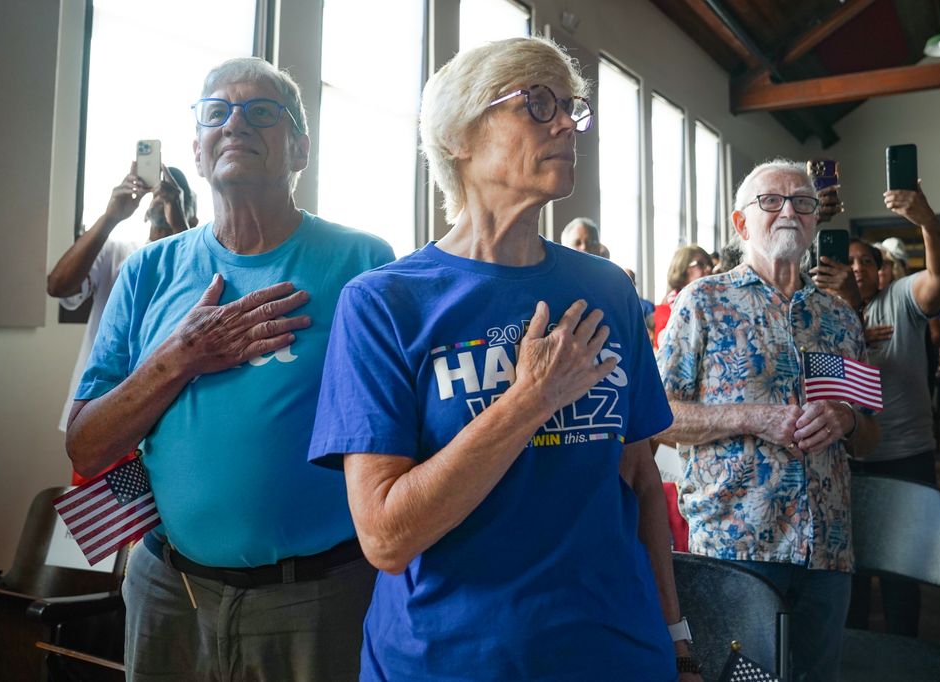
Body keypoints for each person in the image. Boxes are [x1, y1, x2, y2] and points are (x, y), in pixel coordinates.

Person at [309, 37, 702, 682]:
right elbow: (384, 535)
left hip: (614, 651)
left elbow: (638, 480)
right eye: (537, 103)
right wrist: (529, 400)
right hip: (450, 659)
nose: (566, 125)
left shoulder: (607, 290)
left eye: (572, 108)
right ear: (459, 136)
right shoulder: (385, 304)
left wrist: (677, 638)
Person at [65, 57, 394, 681]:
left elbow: (396, 427)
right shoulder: (148, 271)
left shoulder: (362, 261)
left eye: (262, 112)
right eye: (218, 112)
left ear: (298, 147)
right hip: (169, 588)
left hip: (318, 595)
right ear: (196, 149)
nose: (236, 123)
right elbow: (86, 445)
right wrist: (180, 356)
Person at [657, 159, 879, 682]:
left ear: (814, 222)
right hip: (737, 547)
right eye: (771, 201)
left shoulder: (838, 316)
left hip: (826, 550)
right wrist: (752, 417)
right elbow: (657, 416)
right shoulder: (702, 303)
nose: (789, 210)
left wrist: (846, 419)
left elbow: (871, 436)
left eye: (803, 202)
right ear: (741, 224)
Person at [844, 184, 940, 638]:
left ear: (881, 270)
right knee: (848, 578)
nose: (856, 268)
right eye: (847, 261)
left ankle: (903, 656)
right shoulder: (824, 312)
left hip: (906, 457)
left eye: (866, 261)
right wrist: (850, 327)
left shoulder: (902, 299)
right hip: (847, 460)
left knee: (900, 576)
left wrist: (927, 220)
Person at [48, 164, 196, 433]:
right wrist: (111, 217)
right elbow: (58, 286)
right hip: (101, 413)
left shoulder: (200, 261)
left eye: (175, 196)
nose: (162, 199)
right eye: (158, 194)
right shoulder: (118, 252)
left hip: (168, 418)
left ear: (194, 220)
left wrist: (179, 224)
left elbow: (201, 295)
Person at [653, 244, 712, 347]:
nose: (708, 269)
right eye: (701, 264)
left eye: (709, 264)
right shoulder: (666, 313)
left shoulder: (717, 304)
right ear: (683, 269)